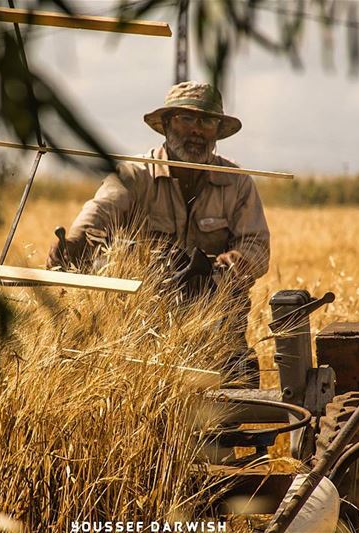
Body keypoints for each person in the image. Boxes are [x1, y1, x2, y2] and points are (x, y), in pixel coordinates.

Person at [47, 81, 270, 387]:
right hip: (142, 330)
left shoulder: (238, 183)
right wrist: (75, 243)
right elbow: (99, 212)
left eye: (207, 121)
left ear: (217, 132)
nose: (197, 130)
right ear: (166, 125)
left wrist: (227, 267)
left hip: (214, 326)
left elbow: (257, 247)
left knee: (230, 411)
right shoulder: (134, 175)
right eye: (186, 119)